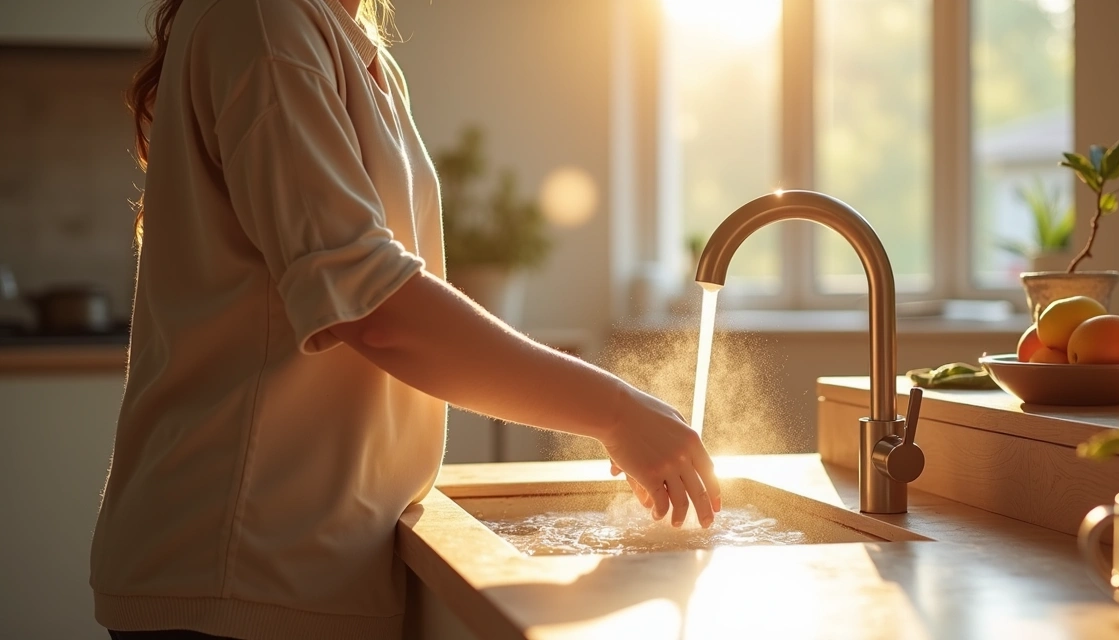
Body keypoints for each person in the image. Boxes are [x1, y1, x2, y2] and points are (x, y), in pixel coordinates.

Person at [89, 0, 722, 639]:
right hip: (239, 569)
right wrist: (614, 411)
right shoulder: (263, 18)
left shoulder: (345, 41)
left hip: (298, 560)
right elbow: (375, 307)